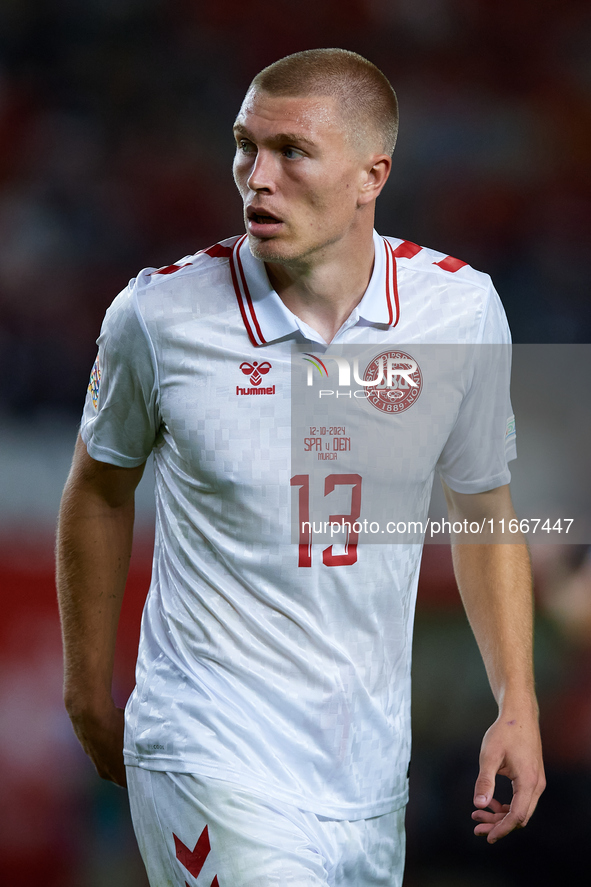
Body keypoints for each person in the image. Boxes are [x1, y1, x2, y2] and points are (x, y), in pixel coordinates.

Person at [56, 48, 545, 887]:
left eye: (291, 151)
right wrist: (84, 689)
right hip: (206, 748)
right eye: (245, 145)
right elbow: (100, 487)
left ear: (370, 175)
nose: (257, 176)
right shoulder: (157, 315)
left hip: (364, 783)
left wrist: (517, 699)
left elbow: (481, 510)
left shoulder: (459, 310)